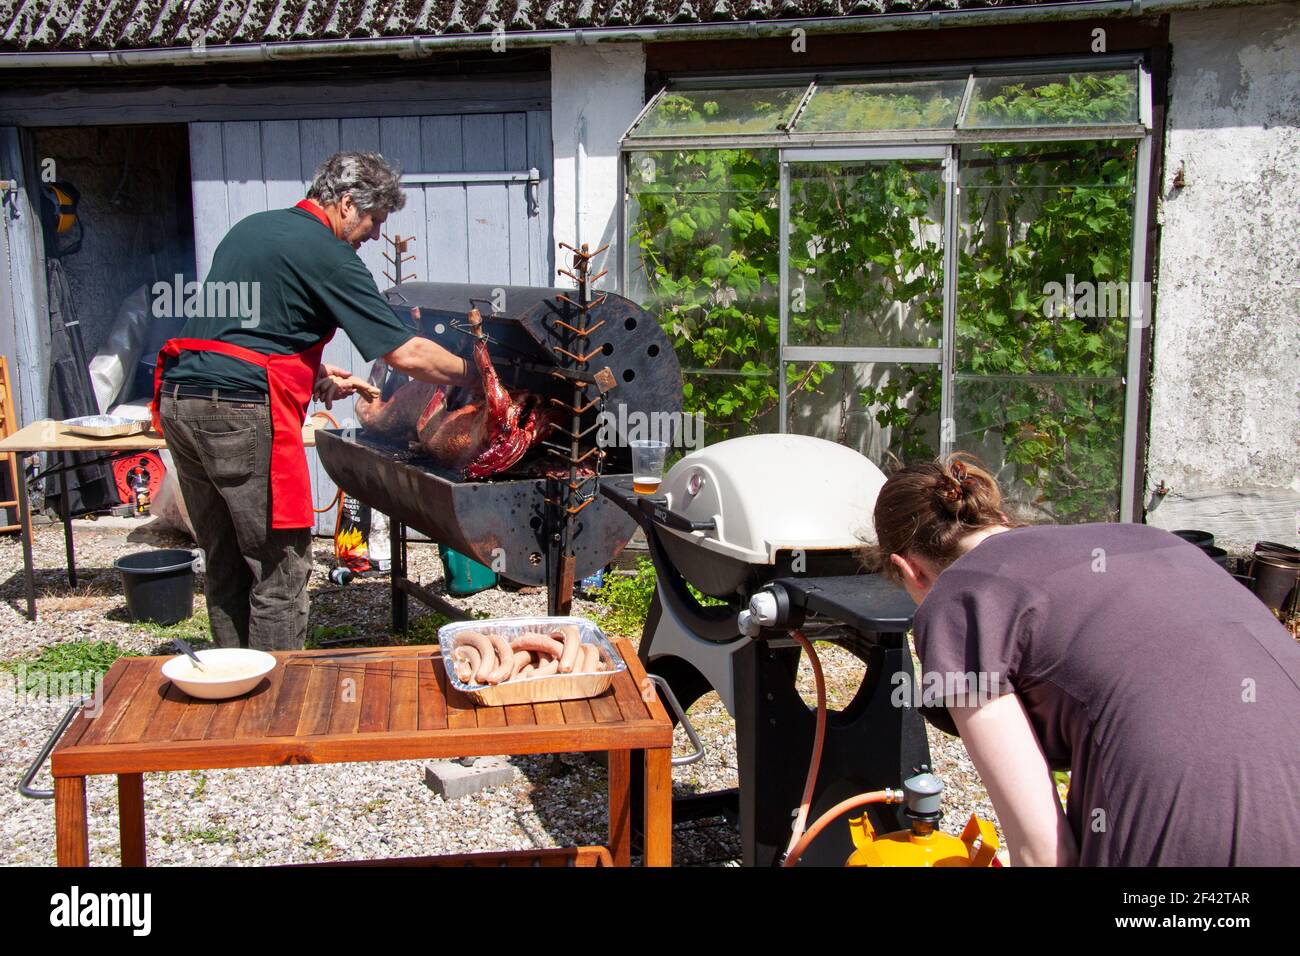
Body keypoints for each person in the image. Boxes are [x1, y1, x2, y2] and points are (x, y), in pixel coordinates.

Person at [871, 453, 1300, 866]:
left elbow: (1046, 854)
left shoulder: (960, 596)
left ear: (908, 569)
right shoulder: (1152, 538)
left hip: (1186, 826)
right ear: (1001, 519)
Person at [152, 151, 475, 651]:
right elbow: (407, 353)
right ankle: (280, 701)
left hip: (181, 399)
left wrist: (313, 370)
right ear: (347, 204)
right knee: (280, 564)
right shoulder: (329, 254)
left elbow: (246, 328)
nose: (374, 234)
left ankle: (234, 688)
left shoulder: (253, 228)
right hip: (237, 410)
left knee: (225, 556)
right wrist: (478, 373)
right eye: (374, 220)